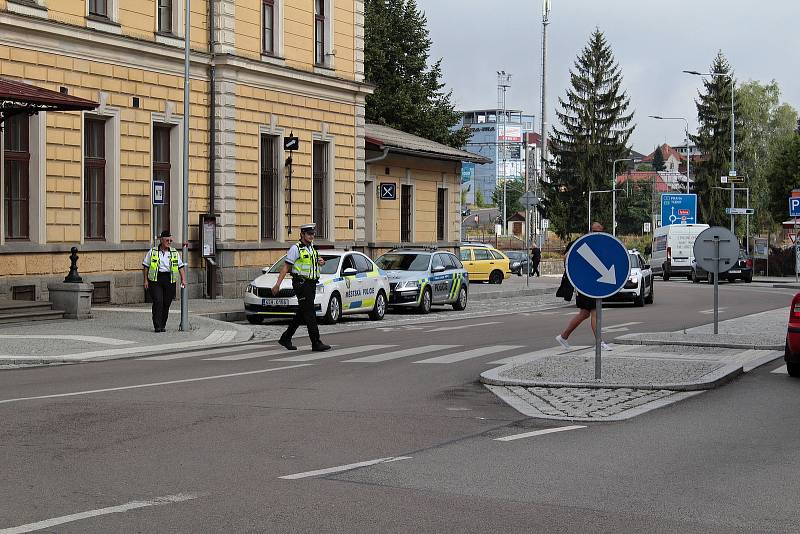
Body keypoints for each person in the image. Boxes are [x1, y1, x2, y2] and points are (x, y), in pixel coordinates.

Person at [273, 223, 331, 352]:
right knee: (310, 313)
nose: (311, 236)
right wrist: (278, 284)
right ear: (302, 234)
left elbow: (313, 266)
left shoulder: (312, 249)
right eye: (309, 234)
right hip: (301, 284)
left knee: (302, 313)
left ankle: (285, 338)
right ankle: (316, 342)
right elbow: (286, 267)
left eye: (312, 234)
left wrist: (322, 262)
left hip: (311, 284)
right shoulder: (296, 248)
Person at [555, 221, 612, 351]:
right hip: (585, 284)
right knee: (595, 313)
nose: (597, 233)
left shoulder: (599, 244)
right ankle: (599, 342)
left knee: (584, 314)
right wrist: (576, 276)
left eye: (599, 231)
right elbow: (566, 258)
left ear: (602, 231)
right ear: (590, 230)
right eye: (594, 231)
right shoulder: (581, 242)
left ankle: (563, 337)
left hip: (593, 283)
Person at [142, 230, 187, 333]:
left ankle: (163, 325)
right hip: (155, 279)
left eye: (171, 240)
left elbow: (180, 267)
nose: (169, 242)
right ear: (162, 240)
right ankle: (157, 325)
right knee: (158, 301)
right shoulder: (153, 251)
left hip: (169, 279)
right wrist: (145, 281)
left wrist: (183, 279)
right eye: (167, 240)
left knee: (166, 303)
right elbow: (145, 266)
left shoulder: (174, 252)